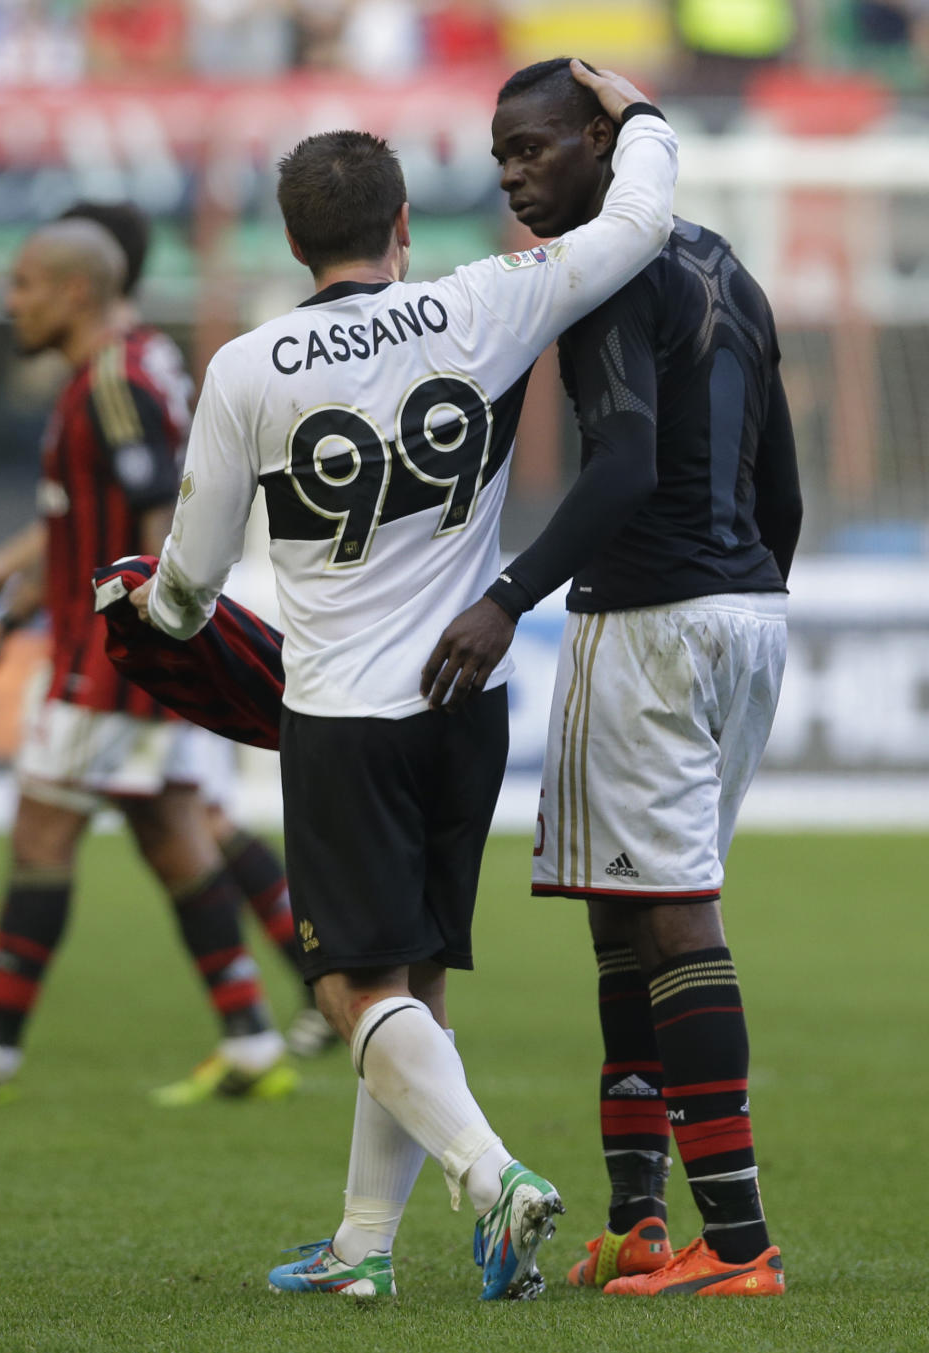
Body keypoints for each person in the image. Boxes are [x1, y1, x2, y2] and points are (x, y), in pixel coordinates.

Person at [127, 63, 679, 1299]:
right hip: (463, 702)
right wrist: (638, 117)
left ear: (290, 236)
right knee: (414, 980)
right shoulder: (486, 302)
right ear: (401, 227)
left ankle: (493, 1177)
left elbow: (192, 585)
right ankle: (364, 1250)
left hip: (342, 712)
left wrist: (149, 607)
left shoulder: (248, 369)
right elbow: (639, 225)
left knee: (349, 980)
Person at [421, 57, 802, 1297]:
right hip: (742, 609)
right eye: (500, 159)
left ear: (603, 137)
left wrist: (504, 599)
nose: (515, 176)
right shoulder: (722, 262)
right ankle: (640, 1219)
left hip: (653, 617)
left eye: (534, 148)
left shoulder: (604, 277)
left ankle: (736, 1245)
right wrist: (747, 589)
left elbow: (625, 463)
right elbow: (780, 476)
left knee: (674, 914)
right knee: (626, 911)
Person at [0, 218, 297, 1107]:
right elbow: (83, 515)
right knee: (177, 838)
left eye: (27, 284)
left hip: (112, 659)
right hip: (132, 654)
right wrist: (6, 594)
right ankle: (255, 1031)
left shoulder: (113, 381)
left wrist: (159, 640)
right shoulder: (133, 364)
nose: (12, 302)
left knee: (43, 832)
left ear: (77, 291)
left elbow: (158, 512)